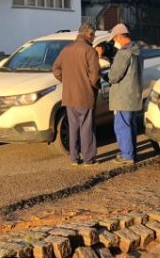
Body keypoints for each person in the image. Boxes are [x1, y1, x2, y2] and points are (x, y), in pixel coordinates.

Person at [52, 23, 101, 166]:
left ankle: (74, 158)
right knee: (87, 127)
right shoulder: (89, 51)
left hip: (69, 96)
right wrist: (93, 86)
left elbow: (55, 68)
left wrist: (65, 81)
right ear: (89, 34)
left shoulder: (66, 49)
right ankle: (88, 159)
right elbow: (95, 75)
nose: (93, 38)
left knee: (73, 127)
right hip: (84, 95)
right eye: (93, 35)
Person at [107, 23, 143, 164]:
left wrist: (107, 73)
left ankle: (127, 155)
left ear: (119, 37)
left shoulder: (123, 53)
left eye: (114, 39)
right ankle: (132, 152)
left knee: (122, 126)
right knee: (131, 125)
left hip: (123, 96)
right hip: (133, 94)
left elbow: (114, 76)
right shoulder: (137, 50)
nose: (114, 42)